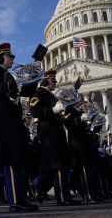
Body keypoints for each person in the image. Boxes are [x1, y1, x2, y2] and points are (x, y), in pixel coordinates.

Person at [0, 43, 38, 212]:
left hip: (13, 118)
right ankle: (16, 201)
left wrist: (33, 77)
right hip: (3, 118)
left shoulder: (11, 75)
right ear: (0, 57)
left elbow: (25, 92)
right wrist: (13, 83)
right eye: (9, 56)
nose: (13, 59)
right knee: (12, 160)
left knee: (17, 160)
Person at [29, 70, 81, 206]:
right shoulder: (39, 93)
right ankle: (63, 198)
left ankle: (38, 184)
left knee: (60, 165)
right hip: (49, 133)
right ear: (45, 81)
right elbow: (34, 111)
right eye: (53, 80)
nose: (56, 83)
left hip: (56, 132)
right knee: (59, 166)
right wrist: (53, 110)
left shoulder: (50, 95)